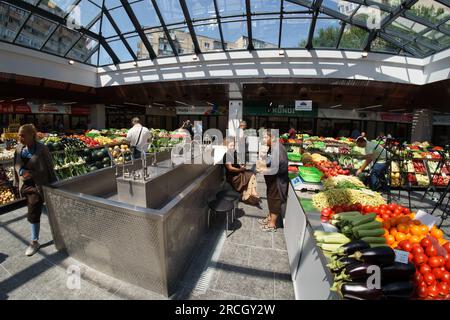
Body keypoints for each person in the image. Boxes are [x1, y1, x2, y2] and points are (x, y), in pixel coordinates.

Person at [13, 124, 57, 256]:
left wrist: (34, 174)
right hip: (25, 185)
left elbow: (49, 166)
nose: (20, 138)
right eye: (19, 135)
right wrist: (21, 171)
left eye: (23, 135)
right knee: (34, 208)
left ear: (32, 135)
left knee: (33, 209)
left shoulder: (42, 148)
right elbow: (16, 163)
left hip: (39, 184)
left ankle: (34, 241)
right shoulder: (19, 148)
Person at [257, 130, 289, 232]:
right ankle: (270, 217)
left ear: (273, 138)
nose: (263, 140)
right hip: (271, 180)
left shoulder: (278, 149)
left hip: (277, 181)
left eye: (266, 137)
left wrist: (266, 169)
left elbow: (281, 166)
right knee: (271, 198)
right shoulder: (272, 147)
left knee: (275, 200)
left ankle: (272, 225)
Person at [224, 139, 260, 205]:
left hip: (238, 172)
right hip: (233, 176)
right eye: (230, 145)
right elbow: (230, 168)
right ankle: (251, 194)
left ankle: (251, 193)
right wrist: (240, 170)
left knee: (251, 173)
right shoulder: (227, 155)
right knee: (250, 174)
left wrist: (241, 166)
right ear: (226, 146)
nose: (232, 147)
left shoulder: (234, 153)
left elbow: (237, 163)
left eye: (233, 145)